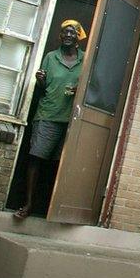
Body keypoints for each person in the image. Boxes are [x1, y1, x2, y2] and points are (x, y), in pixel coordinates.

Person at [14, 19, 86, 219]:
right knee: (37, 159)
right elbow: (44, 88)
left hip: (72, 119)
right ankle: (28, 205)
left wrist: (78, 90)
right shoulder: (50, 57)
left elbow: (90, 88)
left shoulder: (85, 60)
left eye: (73, 32)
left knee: (61, 164)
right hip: (48, 115)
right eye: (65, 32)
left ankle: (52, 208)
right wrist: (41, 81)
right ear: (60, 36)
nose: (68, 35)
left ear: (78, 37)